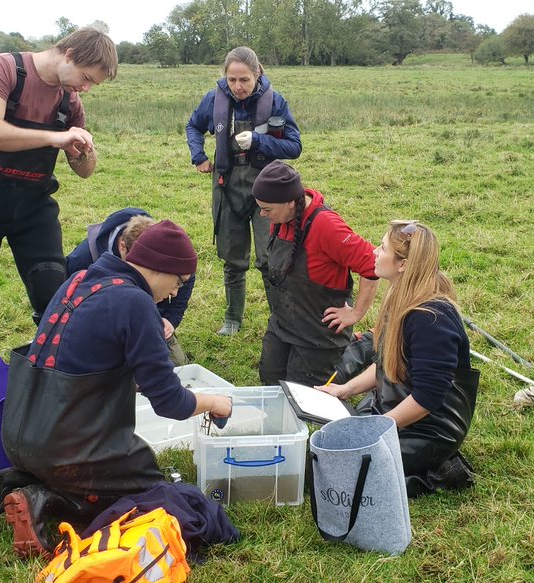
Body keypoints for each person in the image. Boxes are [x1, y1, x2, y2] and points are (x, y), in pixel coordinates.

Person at [0, 221, 232, 558]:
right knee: (149, 493)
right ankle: (43, 503)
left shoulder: (79, 280)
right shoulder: (136, 303)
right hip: (71, 447)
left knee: (79, 472)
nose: (175, 293)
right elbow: (170, 403)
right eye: (178, 282)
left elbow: (85, 360)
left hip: (21, 432)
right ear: (160, 267)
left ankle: (1, 484)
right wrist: (214, 402)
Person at [0, 27, 117, 381]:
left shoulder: (69, 101)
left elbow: (85, 172)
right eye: (86, 78)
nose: (85, 89)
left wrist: (82, 150)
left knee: (52, 292)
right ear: (69, 55)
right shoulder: (5, 69)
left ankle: (53, 379)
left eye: (92, 85)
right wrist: (54, 137)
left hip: (33, 207)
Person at [318, 220, 480, 497]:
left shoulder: (432, 319)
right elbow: (387, 364)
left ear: (403, 264)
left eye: (382, 248)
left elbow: (428, 398)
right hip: (396, 407)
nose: (374, 252)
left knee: (344, 468)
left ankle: (439, 468)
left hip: (430, 428)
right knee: (331, 447)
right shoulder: (401, 295)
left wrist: (377, 428)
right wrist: (346, 389)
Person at [186, 46, 301, 336]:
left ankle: (280, 321)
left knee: (270, 258)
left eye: (244, 80)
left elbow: (294, 146)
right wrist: (198, 156)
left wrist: (260, 142)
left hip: (267, 188)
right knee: (232, 257)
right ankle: (232, 319)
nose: (238, 87)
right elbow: (193, 126)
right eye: (232, 80)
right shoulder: (213, 100)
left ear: (257, 74)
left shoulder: (276, 102)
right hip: (226, 185)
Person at [251, 161, 379, 387]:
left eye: (267, 209)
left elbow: (372, 265)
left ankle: (363, 347)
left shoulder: (326, 226)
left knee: (301, 395)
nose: (262, 214)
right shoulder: (281, 219)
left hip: (318, 335)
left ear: (290, 202)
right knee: (270, 379)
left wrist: (356, 313)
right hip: (283, 323)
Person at [65, 208, 195, 365]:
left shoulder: (164, 246)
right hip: (99, 331)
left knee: (177, 364)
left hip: (151, 319)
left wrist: (170, 320)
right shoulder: (81, 261)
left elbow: (186, 276)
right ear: (122, 246)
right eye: (138, 262)